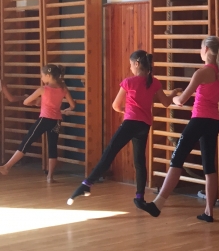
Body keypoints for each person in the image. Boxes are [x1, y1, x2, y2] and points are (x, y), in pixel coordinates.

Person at [137, 36, 219, 221]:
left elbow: (182, 100)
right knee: (209, 166)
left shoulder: (201, 73)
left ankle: (158, 204)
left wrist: (172, 98)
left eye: (201, 48)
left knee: (177, 159)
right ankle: (209, 212)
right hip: (213, 122)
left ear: (206, 50)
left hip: (198, 120)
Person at [68, 50, 175, 208]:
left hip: (130, 123)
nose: (130, 67)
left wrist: (127, 109)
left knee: (110, 152)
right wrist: (173, 93)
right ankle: (139, 197)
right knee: (139, 161)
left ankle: (87, 184)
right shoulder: (154, 82)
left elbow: (116, 106)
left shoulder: (129, 82)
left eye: (131, 64)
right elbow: (166, 102)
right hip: (144, 125)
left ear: (136, 64)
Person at [0, 64, 75, 182]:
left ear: (48, 76)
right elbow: (72, 105)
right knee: (52, 147)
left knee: (26, 142)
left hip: (44, 119)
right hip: (56, 121)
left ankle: (7, 167)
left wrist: (36, 103)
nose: (41, 78)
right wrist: (65, 111)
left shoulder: (43, 89)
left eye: (42, 76)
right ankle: (50, 176)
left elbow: (26, 102)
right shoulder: (63, 88)